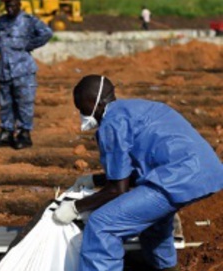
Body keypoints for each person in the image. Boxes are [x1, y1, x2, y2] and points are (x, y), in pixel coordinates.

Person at [52, 75, 223, 271]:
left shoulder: (111, 124)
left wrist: (75, 207)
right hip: (205, 172)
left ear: (95, 103)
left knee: (102, 226)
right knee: (153, 221)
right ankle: (164, 267)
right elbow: (133, 171)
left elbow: (118, 189)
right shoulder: (137, 109)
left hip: (177, 178)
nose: (80, 113)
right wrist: (94, 179)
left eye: (81, 107)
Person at [0, 0, 52, 149]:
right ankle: (6, 132)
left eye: (13, 6)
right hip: (4, 69)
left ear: (19, 5)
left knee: (24, 103)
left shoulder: (28, 21)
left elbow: (47, 33)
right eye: (8, 6)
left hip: (23, 70)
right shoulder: (1, 21)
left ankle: (24, 133)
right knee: (5, 103)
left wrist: (29, 45)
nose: (10, 9)